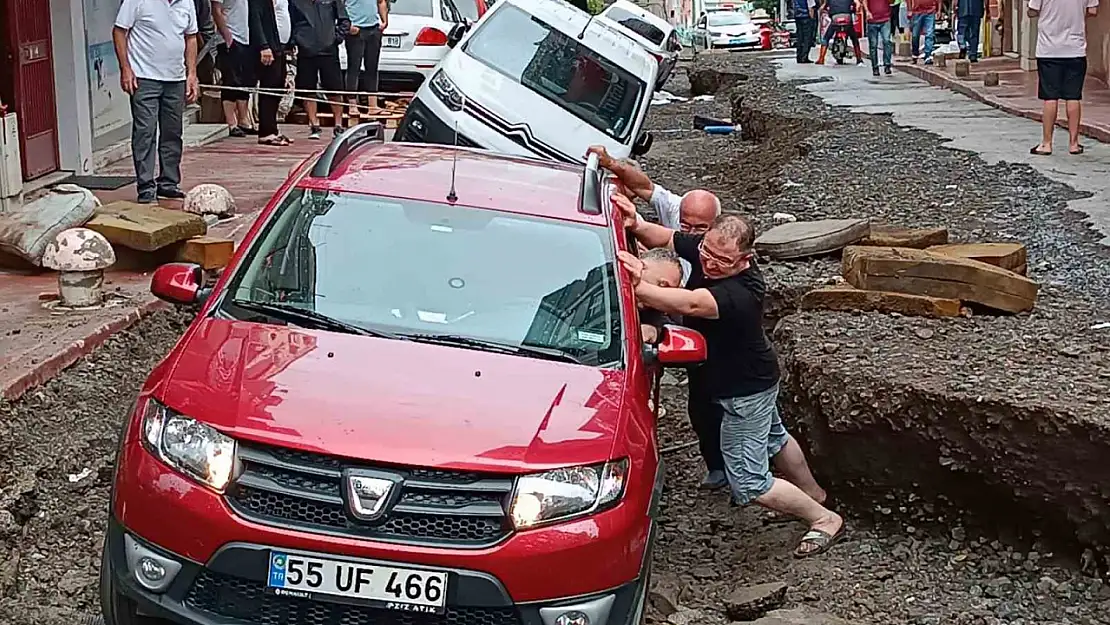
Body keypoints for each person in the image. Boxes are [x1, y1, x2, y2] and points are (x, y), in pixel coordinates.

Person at [612, 194, 844, 558]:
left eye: (722, 261)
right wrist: (635, 224)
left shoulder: (742, 291)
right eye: (706, 253)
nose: (710, 262)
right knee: (776, 439)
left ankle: (822, 518)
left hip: (743, 390)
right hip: (758, 375)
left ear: (745, 259)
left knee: (749, 481)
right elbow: (668, 238)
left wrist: (634, 285)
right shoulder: (707, 247)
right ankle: (814, 493)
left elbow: (688, 304)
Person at [586, 145, 722, 285]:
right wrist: (610, 163)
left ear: (716, 224)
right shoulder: (674, 207)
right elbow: (645, 187)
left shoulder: (727, 249)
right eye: (685, 225)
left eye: (700, 228)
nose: (692, 233)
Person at [113, 0, 200, 204]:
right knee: (145, 131)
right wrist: (125, 68)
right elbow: (119, 31)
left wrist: (192, 74)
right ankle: (145, 185)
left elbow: (191, 38)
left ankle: (168, 183)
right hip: (144, 77)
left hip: (175, 78)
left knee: (172, 132)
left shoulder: (186, 2)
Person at [1028, 0, 1098, 156]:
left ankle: (1046, 144)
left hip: (1049, 50)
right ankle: (1073, 144)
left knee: (1050, 97)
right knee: (1073, 96)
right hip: (1075, 49)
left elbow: (1032, 10)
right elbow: (1093, 11)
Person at [290, 0, 350, 139]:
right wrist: (296, 40)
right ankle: (314, 125)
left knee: (334, 88)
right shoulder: (296, 2)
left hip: (329, 50)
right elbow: (291, 22)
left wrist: (337, 38)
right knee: (307, 88)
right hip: (306, 50)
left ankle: (338, 125)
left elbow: (345, 20)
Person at [251, 0, 294, 145]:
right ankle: (266, 132)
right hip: (267, 47)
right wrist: (263, 46)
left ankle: (273, 128)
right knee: (269, 88)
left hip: (279, 46)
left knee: (278, 86)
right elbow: (255, 20)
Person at [213, 0, 256, 136]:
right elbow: (216, 10)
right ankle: (232, 123)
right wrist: (226, 35)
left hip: (246, 38)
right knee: (231, 80)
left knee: (245, 81)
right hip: (230, 39)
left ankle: (244, 120)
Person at [344, 0, 389, 120]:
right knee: (354, 68)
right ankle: (352, 105)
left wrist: (384, 21)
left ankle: (373, 105)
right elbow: (339, 6)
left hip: (374, 29)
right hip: (356, 30)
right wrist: (348, 25)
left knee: (372, 68)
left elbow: (381, 2)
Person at [816, 0, 863, 65]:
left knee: (826, 38)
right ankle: (859, 59)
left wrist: (822, 11)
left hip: (835, 19)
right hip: (847, 18)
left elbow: (822, 7)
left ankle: (821, 59)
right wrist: (856, 10)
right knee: (854, 39)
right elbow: (858, 4)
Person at [865, 0, 894, 75]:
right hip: (872, 20)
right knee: (873, 45)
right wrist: (867, 11)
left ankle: (887, 65)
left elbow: (892, 2)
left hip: (885, 18)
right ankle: (875, 67)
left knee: (887, 41)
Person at [907, 0, 940, 64]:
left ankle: (928, 55)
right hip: (917, 11)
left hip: (930, 11)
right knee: (915, 35)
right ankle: (915, 53)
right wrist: (909, 9)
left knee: (929, 34)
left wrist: (939, 10)